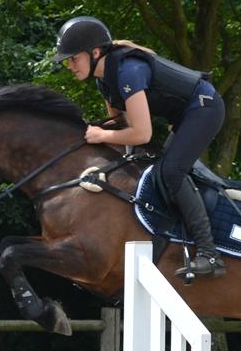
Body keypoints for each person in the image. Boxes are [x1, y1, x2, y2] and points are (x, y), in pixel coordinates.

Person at [53, 16, 227, 279]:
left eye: (73, 58)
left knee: (171, 173)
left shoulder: (128, 71)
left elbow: (141, 133)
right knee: (149, 171)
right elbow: (120, 125)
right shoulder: (104, 80)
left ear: (95, 52)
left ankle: (210, 254)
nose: (69, 65)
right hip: (185, 115)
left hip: (205, 108)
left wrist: (100, 135)